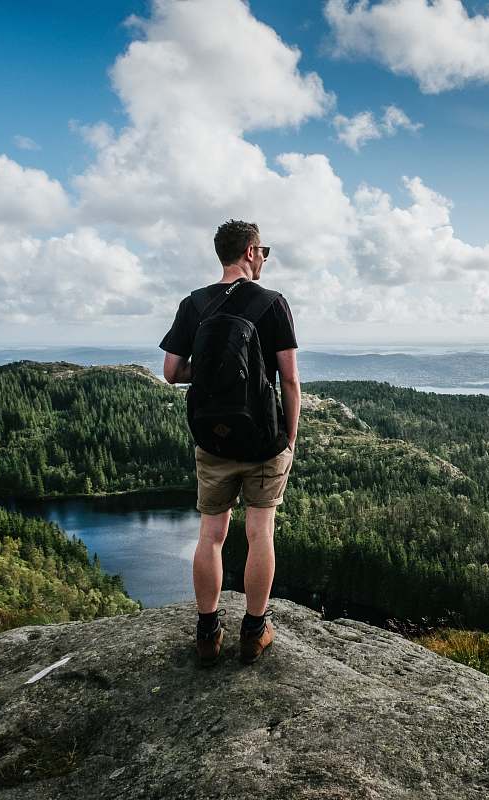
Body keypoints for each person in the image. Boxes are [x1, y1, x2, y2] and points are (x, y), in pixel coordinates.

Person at [159, 219, 300, 666]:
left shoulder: (193, 304)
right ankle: (255, 630)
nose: (263, 259)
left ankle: (207, 632)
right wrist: (289, 440)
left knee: (212, 534)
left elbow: (172, 372)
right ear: (252, 252)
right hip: (262, 441)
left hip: (213, 441)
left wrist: (216, 373)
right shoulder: (272, 303)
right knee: (260, 533)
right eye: (264, 252)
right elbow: (291, 380)